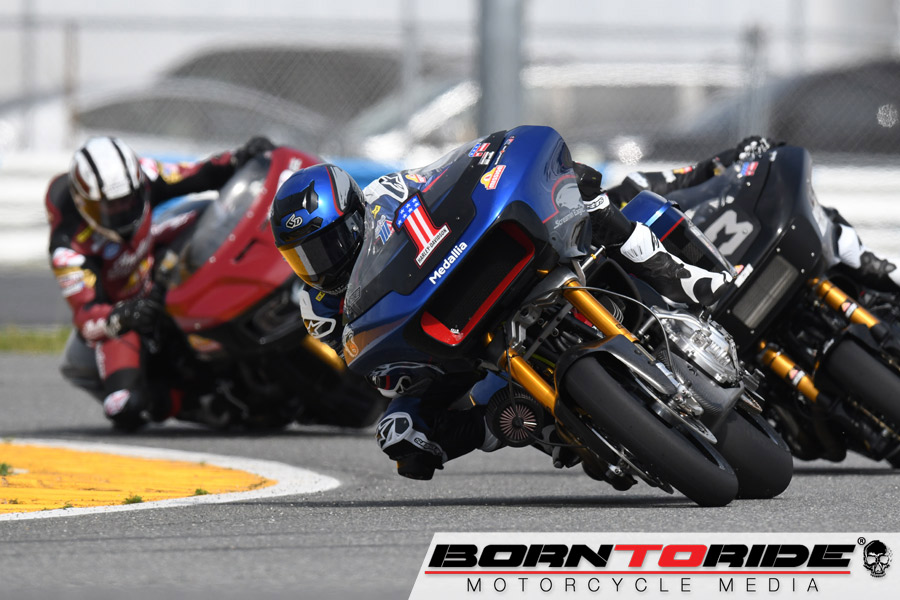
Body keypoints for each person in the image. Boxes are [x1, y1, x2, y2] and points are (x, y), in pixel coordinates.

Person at [269, 129, 735, 481]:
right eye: (302, 257)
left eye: (327, 245)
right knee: (401, 434)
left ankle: (677, 275)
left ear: (353, 216)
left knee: (586, 188)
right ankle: (517, 417)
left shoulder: (384, 196)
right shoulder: (318, 308)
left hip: (468, 269)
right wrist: (408, 378)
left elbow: (446, 181)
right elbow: (373, 370)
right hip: (439, 347)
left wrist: (492, 161)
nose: (319, 265)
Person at [47, 135, 275, 429]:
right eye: (110, 207)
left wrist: (240, 158)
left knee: (214, 211)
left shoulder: (146, 174)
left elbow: (199, 173)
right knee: (125, 407)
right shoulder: (68, 248)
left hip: (158, 260)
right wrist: (124, 315)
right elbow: (87, 317)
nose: (122, 212)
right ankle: (195, 402)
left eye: (128, 201)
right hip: (125, 312)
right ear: (83, 204)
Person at [601, 135, 900, 296]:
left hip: (737, 253)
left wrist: (734, 157)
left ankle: (875, 269)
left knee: (832, 237)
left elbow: (690, 175)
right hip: (705, 293)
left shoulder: (624, 195)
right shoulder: (593, 261)